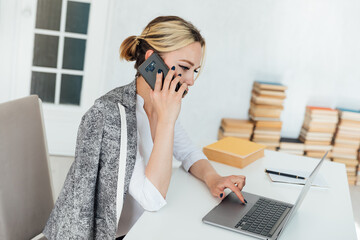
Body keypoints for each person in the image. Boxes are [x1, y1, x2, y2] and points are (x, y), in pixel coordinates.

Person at [43, 16, 246, 240]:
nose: (191, 80)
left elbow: (187, 152)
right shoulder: (110, 115)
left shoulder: (159, 104)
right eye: (184, 68)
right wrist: (167, 120)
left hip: (144, 227)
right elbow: (152, 199)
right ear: (152, 62)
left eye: (195, 71)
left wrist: (213, 178)